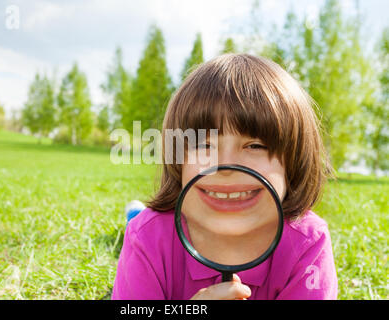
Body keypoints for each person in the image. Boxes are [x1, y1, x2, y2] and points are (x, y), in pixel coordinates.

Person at [112, 53, 338, 300]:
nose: (225, 166)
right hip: (151, 227)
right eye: (204, 145)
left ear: (294, 162)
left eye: (255, 146)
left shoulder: (308, 243)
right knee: (143, 221)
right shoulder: (145, 238)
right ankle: (135, 214)